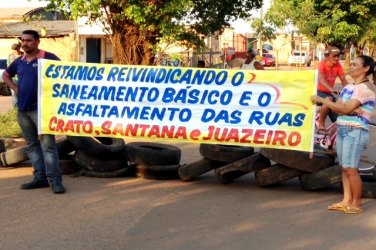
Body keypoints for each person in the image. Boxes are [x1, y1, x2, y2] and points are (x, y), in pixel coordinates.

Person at [2, 30, 65, 194]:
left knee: (48, 146)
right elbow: (6, 74)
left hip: (42, 110)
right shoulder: (20, 61)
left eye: (29, 41)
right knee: (32, 146)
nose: (24, 44)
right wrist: (15, 88)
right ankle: (40, 178)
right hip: (23, 111)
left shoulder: (48, 57)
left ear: (37, 42)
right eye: (22, 41)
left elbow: (64, 74)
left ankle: (56, 181)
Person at [312, 55, 376, 214]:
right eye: (351, 63)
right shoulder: (349, 88)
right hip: (342, 129)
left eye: (355, 64)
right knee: (344, 168)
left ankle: (356, 203)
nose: (351, 66)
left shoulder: (365, 89)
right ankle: (346, 200)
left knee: (351, 169)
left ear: (366, 68)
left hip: (355, 131)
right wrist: (344, 107)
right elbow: (338, 107)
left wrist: (323, 100)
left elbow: (343, 108)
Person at [316, 46, 349, 133]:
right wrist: (331, 89)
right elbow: (321, 79)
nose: (337, 58)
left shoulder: (338, 66)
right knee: (329, 100)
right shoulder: (321, 65)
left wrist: (351, 91)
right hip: (317, 92)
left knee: (338, 117)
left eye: (338, 56)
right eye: (334, 56)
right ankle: (321, 126)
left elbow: (344, 80)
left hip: (328, 93)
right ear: (326, 56)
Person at [7, 43, 24, 107]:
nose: (15, 51)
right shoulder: (10, 56)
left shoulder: (24, 55)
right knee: (14, 94)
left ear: (19, 48)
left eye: (17, 49)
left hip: (23, 78)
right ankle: (15, 109)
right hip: (14, 79)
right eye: (14, 50)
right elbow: (8, 67)